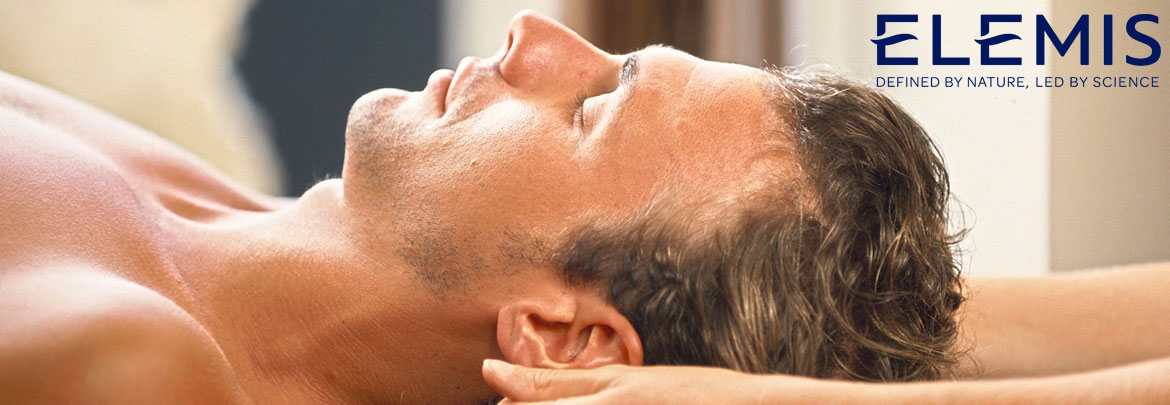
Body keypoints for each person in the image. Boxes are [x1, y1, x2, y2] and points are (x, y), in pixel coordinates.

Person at [3, 9, 1149, 404]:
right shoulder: (213, 212)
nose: (535, 38)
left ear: (564, 336)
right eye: (615, 61)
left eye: (591, 108)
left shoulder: (125, 359)